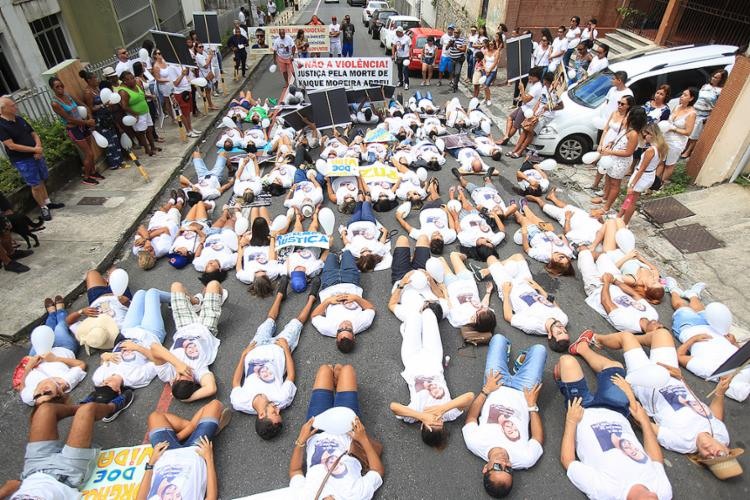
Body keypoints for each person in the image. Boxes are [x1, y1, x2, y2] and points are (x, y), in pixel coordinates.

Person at [584, 328, 735, 459]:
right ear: (726, 449)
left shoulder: (683, 443)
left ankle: (597, 339)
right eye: (720, 454)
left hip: (647, 384)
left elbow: (643, 422)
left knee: (626, 337)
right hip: (673, 377)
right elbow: (715, 418)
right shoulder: (722, 436)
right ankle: (630, 343)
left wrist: (629, 393)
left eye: (709, 458)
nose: (711, 452)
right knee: (662, 334)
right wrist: (719, 393)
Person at [557, 355, 673, 499]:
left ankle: (561, 378)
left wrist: (571, 422)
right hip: (616, 410)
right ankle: (582, 347)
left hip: (582, 411)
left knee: (567, 362)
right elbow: (656, 461)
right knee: (616, 367)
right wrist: (644, 422)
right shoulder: (663, 492)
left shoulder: (607, 493)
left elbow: (568, 460)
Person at [231, 276, 318, 439]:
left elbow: (236, 382)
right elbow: (291, 375)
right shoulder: (282, 399)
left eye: (274, 412)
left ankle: (279, 295)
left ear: (262, 415)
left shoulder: (239, 402)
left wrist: (244, 355)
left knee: (269, 320)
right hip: (279, 348)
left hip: (256, 347)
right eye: (279, 413)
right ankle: (312, 298)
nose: (278, 409)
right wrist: (286, 349)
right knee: (297, 323)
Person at [462, 334, 545, 498]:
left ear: (486, 468)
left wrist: (486, 390)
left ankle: (512, 361)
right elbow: (537, 437)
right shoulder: (525, 459)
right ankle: (519, 366)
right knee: (539, 350)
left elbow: (471, 417)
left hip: (496, 385)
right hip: (525, 392)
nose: (505, 463)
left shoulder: (474, 443)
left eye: (499, 467)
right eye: (508, 469)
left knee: (499, 338)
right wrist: (532, 406)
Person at [0, 399, 133, 498]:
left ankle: (80, 409)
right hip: (66, 476)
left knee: (45, 409)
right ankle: (112, 407)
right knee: (88, 409)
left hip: (32, 471)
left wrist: (4, 491)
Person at [288, 364, 384, 498]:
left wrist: (300, 441)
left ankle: (336, 383)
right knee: (347, 370)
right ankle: (339, 382)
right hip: (347, 429)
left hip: (316, 430)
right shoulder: (354, 496)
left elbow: (295, 471)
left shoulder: (306, 496)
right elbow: (377, 471)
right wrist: (363, 439)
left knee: (324, 370)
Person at [390, 308, 475, 447]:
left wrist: (422, 416)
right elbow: (470, 397)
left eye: (432, 423)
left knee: (414, 315)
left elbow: (394, 407)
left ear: (422, 426)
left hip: (412, 359)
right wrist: (442, 410)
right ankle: (425, 305)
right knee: (429, 314)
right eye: (439, 423)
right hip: (434, 359)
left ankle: (411, 313)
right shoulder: (449, 415)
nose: (436, 419)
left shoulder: (414, 415)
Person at [662, 278, 750, 402]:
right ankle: (692, 294)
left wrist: (693, 339)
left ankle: (673, 290)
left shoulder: (707, 370)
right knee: (701, 310)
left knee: (681, 306)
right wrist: (734, 343)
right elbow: (741, 354)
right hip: (716, 327)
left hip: (690, 329)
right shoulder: (739, 365)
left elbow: (680, 356)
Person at [137, 400, 231, 500]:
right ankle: (195, 429)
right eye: (177, 496)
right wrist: (209, 458)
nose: (173, 492)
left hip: (165, 452)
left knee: (155, 416)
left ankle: (187, 431)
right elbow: (212, 497)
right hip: (196, 451)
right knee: (215, 405)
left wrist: (151, 463)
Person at [479, 254, 571, 352]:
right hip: (528, 285)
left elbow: (508, 317)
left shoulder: (533, 326)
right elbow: (554, 305)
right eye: (565, 331)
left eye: (559, 333)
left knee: (491, 258)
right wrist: (539, 288)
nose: (562, 328)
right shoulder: (563, 320)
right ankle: (490, 270)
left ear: (550, 335)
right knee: (518, 256)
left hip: (510, 288)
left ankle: (492, 269)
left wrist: (505, 293)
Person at [151, 280, 224, 402]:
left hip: (184, 327)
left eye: (180, 376)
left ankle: (196, 302)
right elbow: (211, 388)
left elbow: (154, 348)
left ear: (173, 381)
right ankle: (219, 299)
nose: (185, 372)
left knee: (176, 286)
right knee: (213, 285)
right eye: (188, 376)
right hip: (206, 328)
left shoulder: (167, 374)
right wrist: (188, 399)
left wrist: (178, 364)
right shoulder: (199, 372)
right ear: (193, 381)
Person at [0, 97, 63, 222]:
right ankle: (43, 207)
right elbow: (11, 145)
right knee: (35, 184)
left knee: (42, 179)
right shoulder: (2, 125)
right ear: (3, 109)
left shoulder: (19, 119)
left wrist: (38, 147)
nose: (16, 107)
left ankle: (47, 201)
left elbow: (33, 133)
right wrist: (34, 150)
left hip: (36, 154)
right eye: (12, 106)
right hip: (23, 159)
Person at [16, 296, 86, 406]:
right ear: (58, 394)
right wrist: (55, 359)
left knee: (44, 330)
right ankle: (60, 310)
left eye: (38, 395)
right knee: (60, 327)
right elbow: (81, 365)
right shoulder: (65, 382)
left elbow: (22, 389)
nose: (42, 390)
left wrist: (29, 367)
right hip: (63, 348)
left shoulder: (29, 398)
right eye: (47, 393)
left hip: (37, 354)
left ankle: (51, 313)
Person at [591, 107, 647, 217]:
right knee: (608, 178)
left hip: (621, 161)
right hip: (613, 158)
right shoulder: (627, 129)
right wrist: (611, 143)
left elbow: (628, 152)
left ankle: (606, 208)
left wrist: (611, 151)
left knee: (615, 184)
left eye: (628, 115)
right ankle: (604, 198)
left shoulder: (634, 134)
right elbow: (619, 139)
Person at [49, 77, 99, 185]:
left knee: (90, 150)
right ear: (52, 89)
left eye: (61, 85)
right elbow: (69, 119)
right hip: (73, 128)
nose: (60, 88)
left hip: (83, 125)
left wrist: (90, 117)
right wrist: (87, 123)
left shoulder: (68, 96)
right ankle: (86, 177)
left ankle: (93, 172)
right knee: (88, 154)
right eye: (57, 87)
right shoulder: (55, 103)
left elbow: (83, 105)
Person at [507, 71, 563, 158]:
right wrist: (533, 112)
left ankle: (520, 151)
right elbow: (539, 102)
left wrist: (549, 108)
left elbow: (561, 106)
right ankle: (515, 150)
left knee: (530, 132)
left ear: (545, 80)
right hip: (536, 114)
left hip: (546, 116)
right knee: (525, 129)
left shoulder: (555, 93)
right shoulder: (544, 89)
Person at [620, 123, 667, 223]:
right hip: (649, 174)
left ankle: (624, 222)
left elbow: (642, 168)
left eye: (645, 135)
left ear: (652, 134)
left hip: (642, 176)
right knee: (630, 199)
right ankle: (619, 217)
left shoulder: (651, 150)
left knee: (631, 201)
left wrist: (632, 185)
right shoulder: (662, 147)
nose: (644, 138)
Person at [79, 70, 124, 170]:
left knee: (114, 139)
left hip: (107, 116)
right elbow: (90, 108)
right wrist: (103, 105)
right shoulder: (88, 93)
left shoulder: (97, 89)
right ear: (89, 80)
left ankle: (120, 160)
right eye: (95, 78)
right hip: (100, 119)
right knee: (109, 141)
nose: (97, 80)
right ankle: (114, 163)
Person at [513, 202, 575, 275]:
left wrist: (524, 234)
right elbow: (566, 246)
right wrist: (562, 237)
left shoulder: (543, 255)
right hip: (547, 230)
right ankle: (524, 207)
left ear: (553, 263)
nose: (562, 256)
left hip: (534, 234)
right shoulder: (568, 253)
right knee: (533, 217)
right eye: (565, 258)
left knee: (524, 219)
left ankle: (514, 210)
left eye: (560, 259)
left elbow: (527, 249)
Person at [526, 187, 601, 246]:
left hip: (567, 218)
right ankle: (552, 197)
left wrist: (567, 218)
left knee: (547, 207)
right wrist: (599, 217)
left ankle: (537, 200)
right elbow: (602, 221)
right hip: (584, 216)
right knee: (567, 206)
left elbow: (567, 233)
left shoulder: (588, 239)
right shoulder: (605, 229)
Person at [591, 94, 633, 192]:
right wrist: (601, 143)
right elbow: (605, 129)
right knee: (601, 164)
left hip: (615, 142)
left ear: (628, 106)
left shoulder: (628, 118)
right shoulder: (614, 113)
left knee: (609, 166)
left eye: (623, 104)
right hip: (607, 139)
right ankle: (595, 184)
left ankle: (606, 190)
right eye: (619, 103)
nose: (619, 105)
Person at [395, 190, 457, 255]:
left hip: (426, 210)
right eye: (441, 236)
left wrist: (399, 218)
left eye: (435, 235)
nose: (438, 233)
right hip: (440, 209)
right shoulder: (450, 237)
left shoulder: (423, 237)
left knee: (433, 196)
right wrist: (447, 211)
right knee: (436, 197)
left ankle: (430, 190)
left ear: (429, 241)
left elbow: (408, 228)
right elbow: (452, 225)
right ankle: (430, 191)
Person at [682, 69, 727, 159]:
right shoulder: (705, 86)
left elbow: (718, 105)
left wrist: (710, 117)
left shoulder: (719, 91)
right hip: (695, 110)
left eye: (717, 78)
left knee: (695, 134)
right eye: (714, 76)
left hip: (704, 114)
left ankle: (688, 151)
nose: (714, 79)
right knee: (688, 130)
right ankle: (684, 148)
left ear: (721, 80)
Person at [660, 87, 697, 184]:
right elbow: (669, 120)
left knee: (669, 164)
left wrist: (674, 129)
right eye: (682, 94)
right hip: (666, 137)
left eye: (685, 95)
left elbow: (688, 132)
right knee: (661, 161)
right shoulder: (677, 107)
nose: (682, 97)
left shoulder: (691, 113)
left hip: (677, 141)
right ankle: (654, 182)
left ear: (691, 98)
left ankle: (661, 182)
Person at [498, 67, 543, 145]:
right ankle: (506, 136)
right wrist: (521, 97)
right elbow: (527, 97)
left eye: (532, 76)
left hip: (527, 110)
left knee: (515, 126)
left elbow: (526, 99)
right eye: (529, 75)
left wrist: (522, 89)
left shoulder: (537, 87)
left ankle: (504, 141)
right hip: (524, 106)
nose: (529, 77)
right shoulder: (534, 84)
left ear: (537, 77)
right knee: (510, 117)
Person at [118, 71, 157, 156]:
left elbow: (142, 95)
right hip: (137, 115)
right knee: (141, 132)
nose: (133, 80)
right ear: (125, 81)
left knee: (149, 129)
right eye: (130, 79)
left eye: (133, 77)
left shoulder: (137, 85)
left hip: (146, 111)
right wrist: (135, 113)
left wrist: (150, 96)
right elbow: (124, 106)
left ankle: (153, 146)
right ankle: (147, 149)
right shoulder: (123, 91)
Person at [167, 64, 201, 137]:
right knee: (184, 113)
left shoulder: (181, 64)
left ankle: (191, 128)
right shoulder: (171, 68)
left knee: (188, 112)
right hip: (180, 92)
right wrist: (182, 75)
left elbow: (186, 77)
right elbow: (175, 83)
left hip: (187, 90)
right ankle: (188, 131)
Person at [600, 71, 633, 138]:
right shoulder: (612, 89)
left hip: (614, 125)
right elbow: (607, 102)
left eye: (613, 79)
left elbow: (628, 110)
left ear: (619, 80)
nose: (611, 80)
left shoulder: (628, 94)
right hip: (604, 122)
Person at [448, 28, 467, 93]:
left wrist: (456, 47)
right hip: (452, 58)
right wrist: (449, 44)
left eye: (457, 33)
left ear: (459, 33)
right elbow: (446, 48)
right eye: (454, 32)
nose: (455, 34)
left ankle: (454, 86)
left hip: (459, 59)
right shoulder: (451, 38)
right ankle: (455, 84)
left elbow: (464, 49)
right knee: (452, 73)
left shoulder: (462, 40)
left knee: (457, 72)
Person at [482, 39, 500, 106]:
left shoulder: (496, 52)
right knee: (484, 85)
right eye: (489, 44)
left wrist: (489, 70)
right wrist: (485, 68)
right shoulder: (485, 51)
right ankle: (486, 98)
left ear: (494, 45)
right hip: (485, 70)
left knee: (487, 85)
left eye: (492, 44)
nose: (490, 45)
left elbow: (495, 62)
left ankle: (489, 99)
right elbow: (483, 60)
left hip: (492, 71)